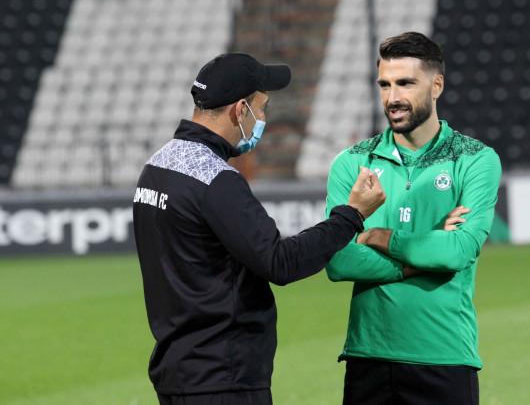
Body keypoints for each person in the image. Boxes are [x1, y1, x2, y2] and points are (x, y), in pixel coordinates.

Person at [132, 53, 386, 405]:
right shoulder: (216, 180)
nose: (263, 119)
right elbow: (280, 262)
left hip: (178, 369)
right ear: (240, 110)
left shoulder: (156, 167)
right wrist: (351, 215)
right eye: (261, 108)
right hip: (223, 377)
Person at [325, 32, 502, 404]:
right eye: (385, 85)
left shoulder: (474, 159)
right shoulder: (353, 162)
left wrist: (376, 236)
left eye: (405, 83)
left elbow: (457, 251)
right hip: (368, 357)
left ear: (436, 85)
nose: (392, 98)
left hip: (445, 357)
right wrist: (420, 256)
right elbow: (338, 260)